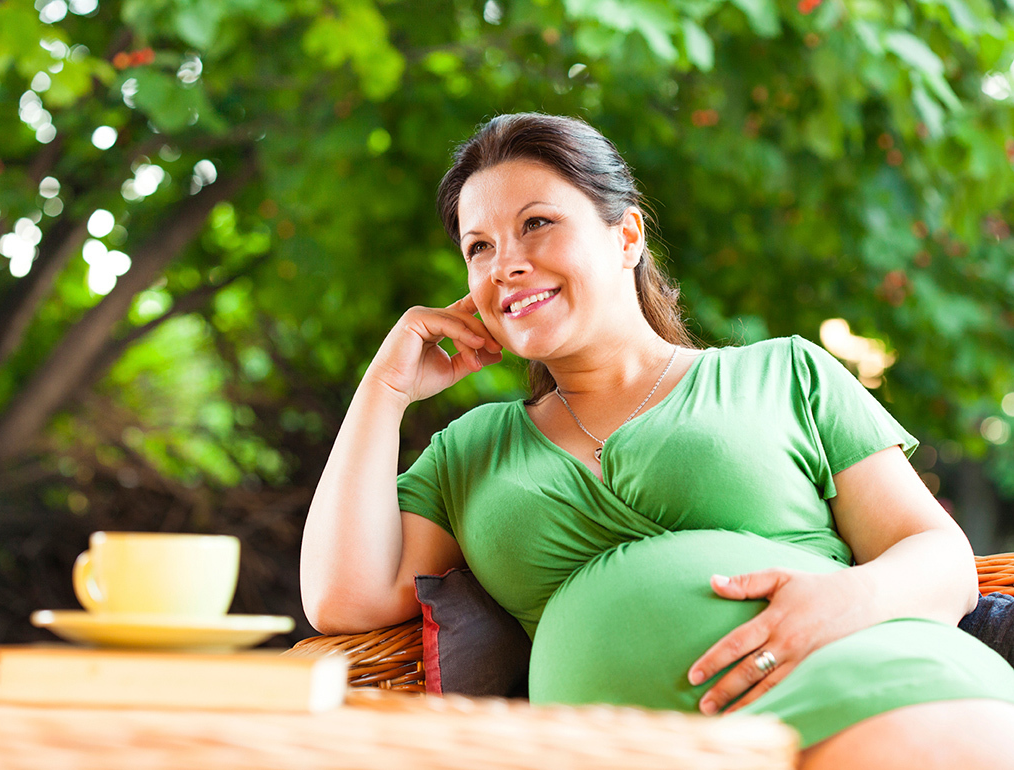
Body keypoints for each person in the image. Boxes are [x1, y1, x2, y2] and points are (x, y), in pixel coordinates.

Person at [301, 113, 1014, 769]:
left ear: (627, 237)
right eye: (478, 247)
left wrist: (847, 601)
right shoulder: (473, 449)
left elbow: (941, 559)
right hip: (628, 749)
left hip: (867, 682)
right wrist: (384, 390)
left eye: (537, 224)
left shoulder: (783, 373)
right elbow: (343, 601)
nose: (503, 264)